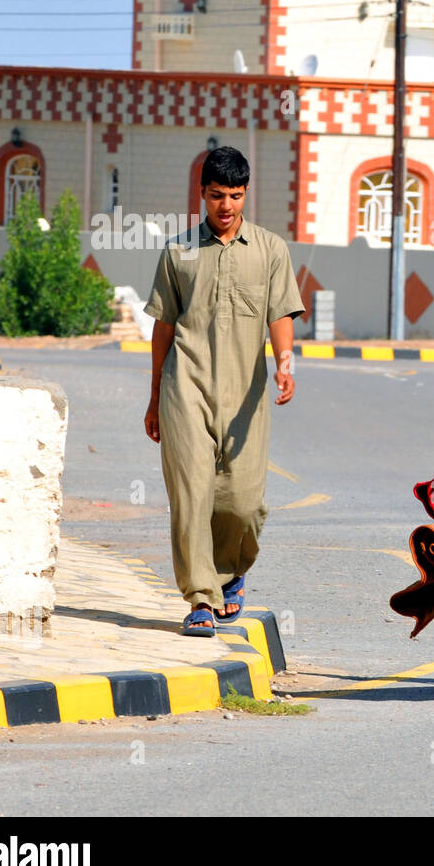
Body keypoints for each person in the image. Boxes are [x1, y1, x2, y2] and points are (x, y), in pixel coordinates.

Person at [143, 146, 305, 637]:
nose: (227, 206)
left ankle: (230, 573)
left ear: (245, 193)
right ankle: (199, 598)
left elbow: (280, 313)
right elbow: (163, 328)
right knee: (192, 493)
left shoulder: (271, 249)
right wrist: (154, 398)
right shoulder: (178, 252)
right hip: (184, 386)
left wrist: (284, 361)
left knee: (243, 501)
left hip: (246, 395)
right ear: (202, 194)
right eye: (217, 196)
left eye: (235, 196)